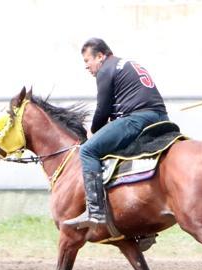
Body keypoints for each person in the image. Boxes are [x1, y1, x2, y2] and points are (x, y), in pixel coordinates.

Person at [64, 38, 169, 229]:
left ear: (100, 56)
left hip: (137, 119)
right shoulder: (125, 64)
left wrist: (93, 132)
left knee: (88, 150)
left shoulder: (105, 70)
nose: (86, 67)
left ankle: (95, 211)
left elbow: (102, 109)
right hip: (161, 117)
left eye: (87, 61)